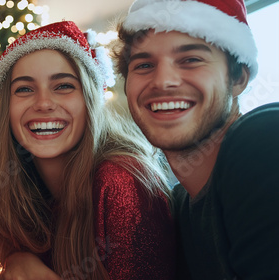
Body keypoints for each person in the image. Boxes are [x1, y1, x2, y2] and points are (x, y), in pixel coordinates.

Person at [0, 21, 176, 280]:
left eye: (64, 86)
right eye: (24, 89)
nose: (44, 103)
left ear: (90, 99)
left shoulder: (121, 181)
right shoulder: (11, 185)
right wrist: (16, 259)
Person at [112, 0, 279, 279]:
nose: (163, 81)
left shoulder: (263, 137)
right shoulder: (179, 207)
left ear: (238, 78)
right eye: (144, 65)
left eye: (191, 59)